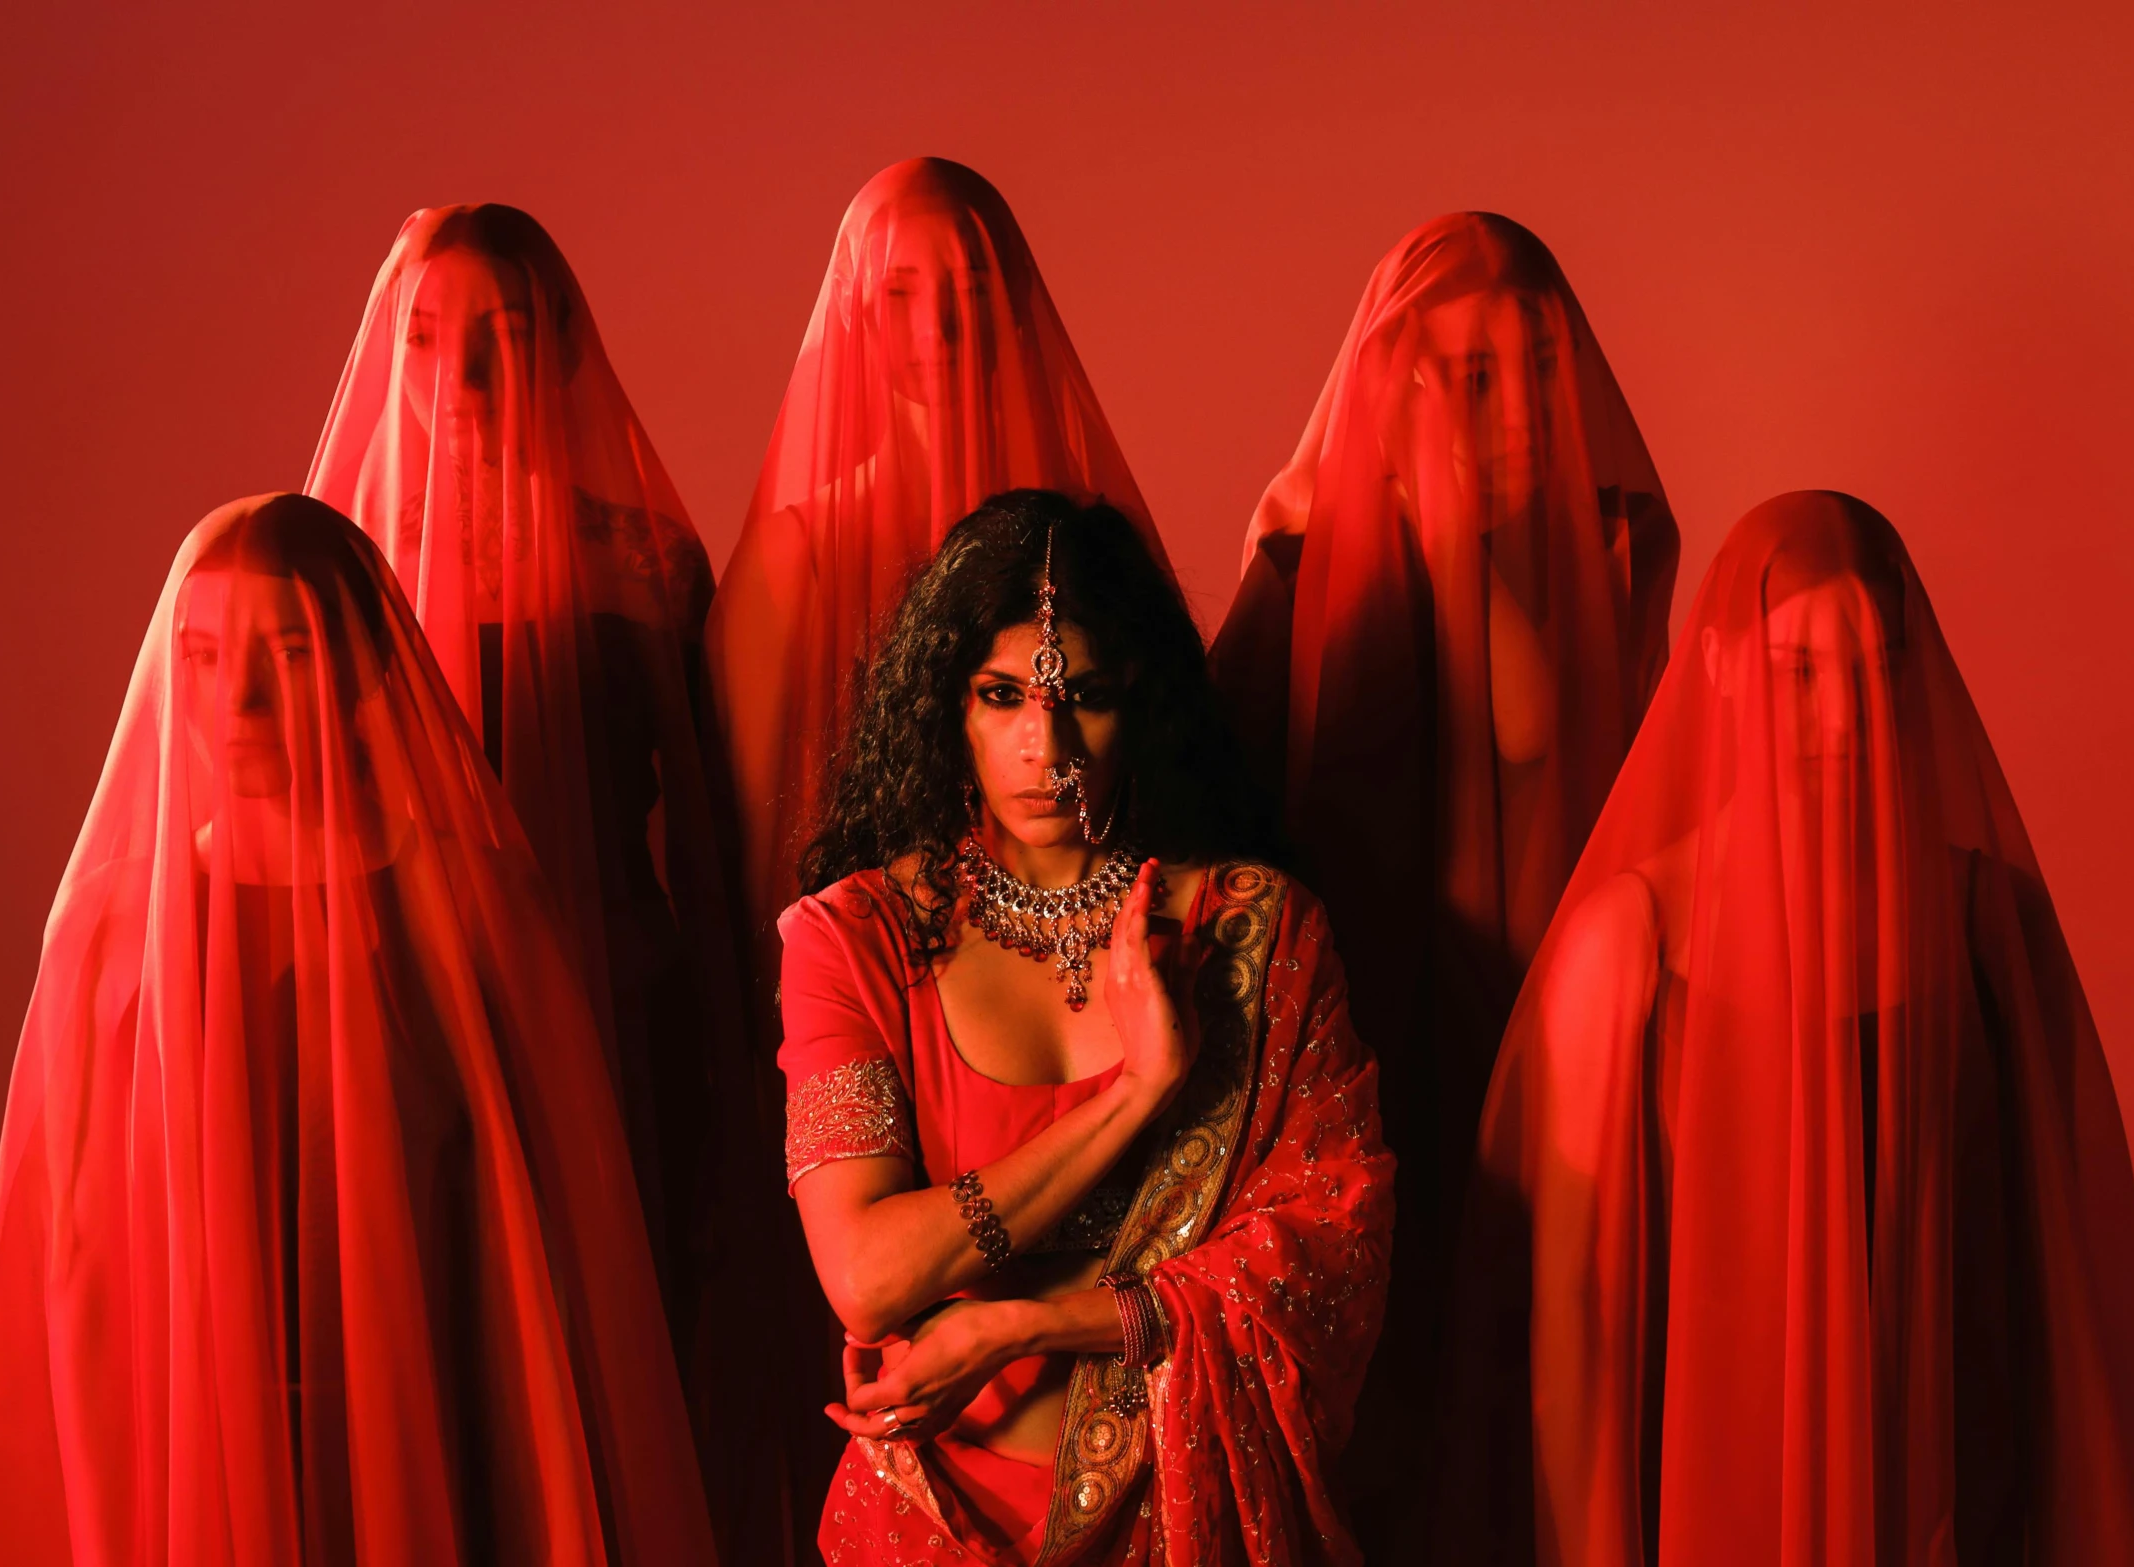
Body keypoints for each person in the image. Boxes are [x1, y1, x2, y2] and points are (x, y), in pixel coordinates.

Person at [0, 494, 716, 1565]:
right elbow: (71, 1260)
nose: (242, 701)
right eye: (205, 656)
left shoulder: (472, 907)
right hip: (191, 1441)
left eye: (291, 650)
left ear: (368, 664)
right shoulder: (113, 928)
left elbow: (552, 1246)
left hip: (440, 1430)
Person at [1456, 492, 2134, 1564]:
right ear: (1718, 667)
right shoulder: (1630, 945)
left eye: (1876, 666)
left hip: (1944, 1511)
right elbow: (1575, 1326)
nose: (1843, 717)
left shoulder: (1986, 926)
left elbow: (2048, 1299)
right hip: (1705, 1517)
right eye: (1799, 671)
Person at [779, 490, 1392, 1564]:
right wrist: (1137, 1095)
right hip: (929, 1528)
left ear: (1140, 705)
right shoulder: (853, 938)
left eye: (1085, 698)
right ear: (945, 706)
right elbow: (867, 1276)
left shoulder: (1257, 931)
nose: (1045, 745)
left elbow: (1329, 1256)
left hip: (1184, 1514)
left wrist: (1019, 1323)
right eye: (1002, 694)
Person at [305, 205, 776, 1556]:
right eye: (425, 338)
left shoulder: (644, 558)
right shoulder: (346, 565)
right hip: (410, 1017)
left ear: (559, 355)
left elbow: (711, 824)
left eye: (499, 341)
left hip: (623, 997)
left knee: (633, 1337)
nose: (457, 379)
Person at [1209, 211, 1677, 1557]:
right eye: (1466, 376)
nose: (1518, 409)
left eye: (1533, 369)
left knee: (1536, 1385)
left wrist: (1457, 524)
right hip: (1346, 1060)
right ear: (1395, 383)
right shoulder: (1299, 566)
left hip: (1532, 1030)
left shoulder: (1600, 550)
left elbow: (1539, 739)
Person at [707, 157, 1165, 1033]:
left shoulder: (1097, 542)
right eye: (898, 295)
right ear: (854, 315)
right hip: (876, 990)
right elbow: (757, 843)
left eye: (970, 288)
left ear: (1013, 306)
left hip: (1086, 977)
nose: (939, 326)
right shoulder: (796, 549)